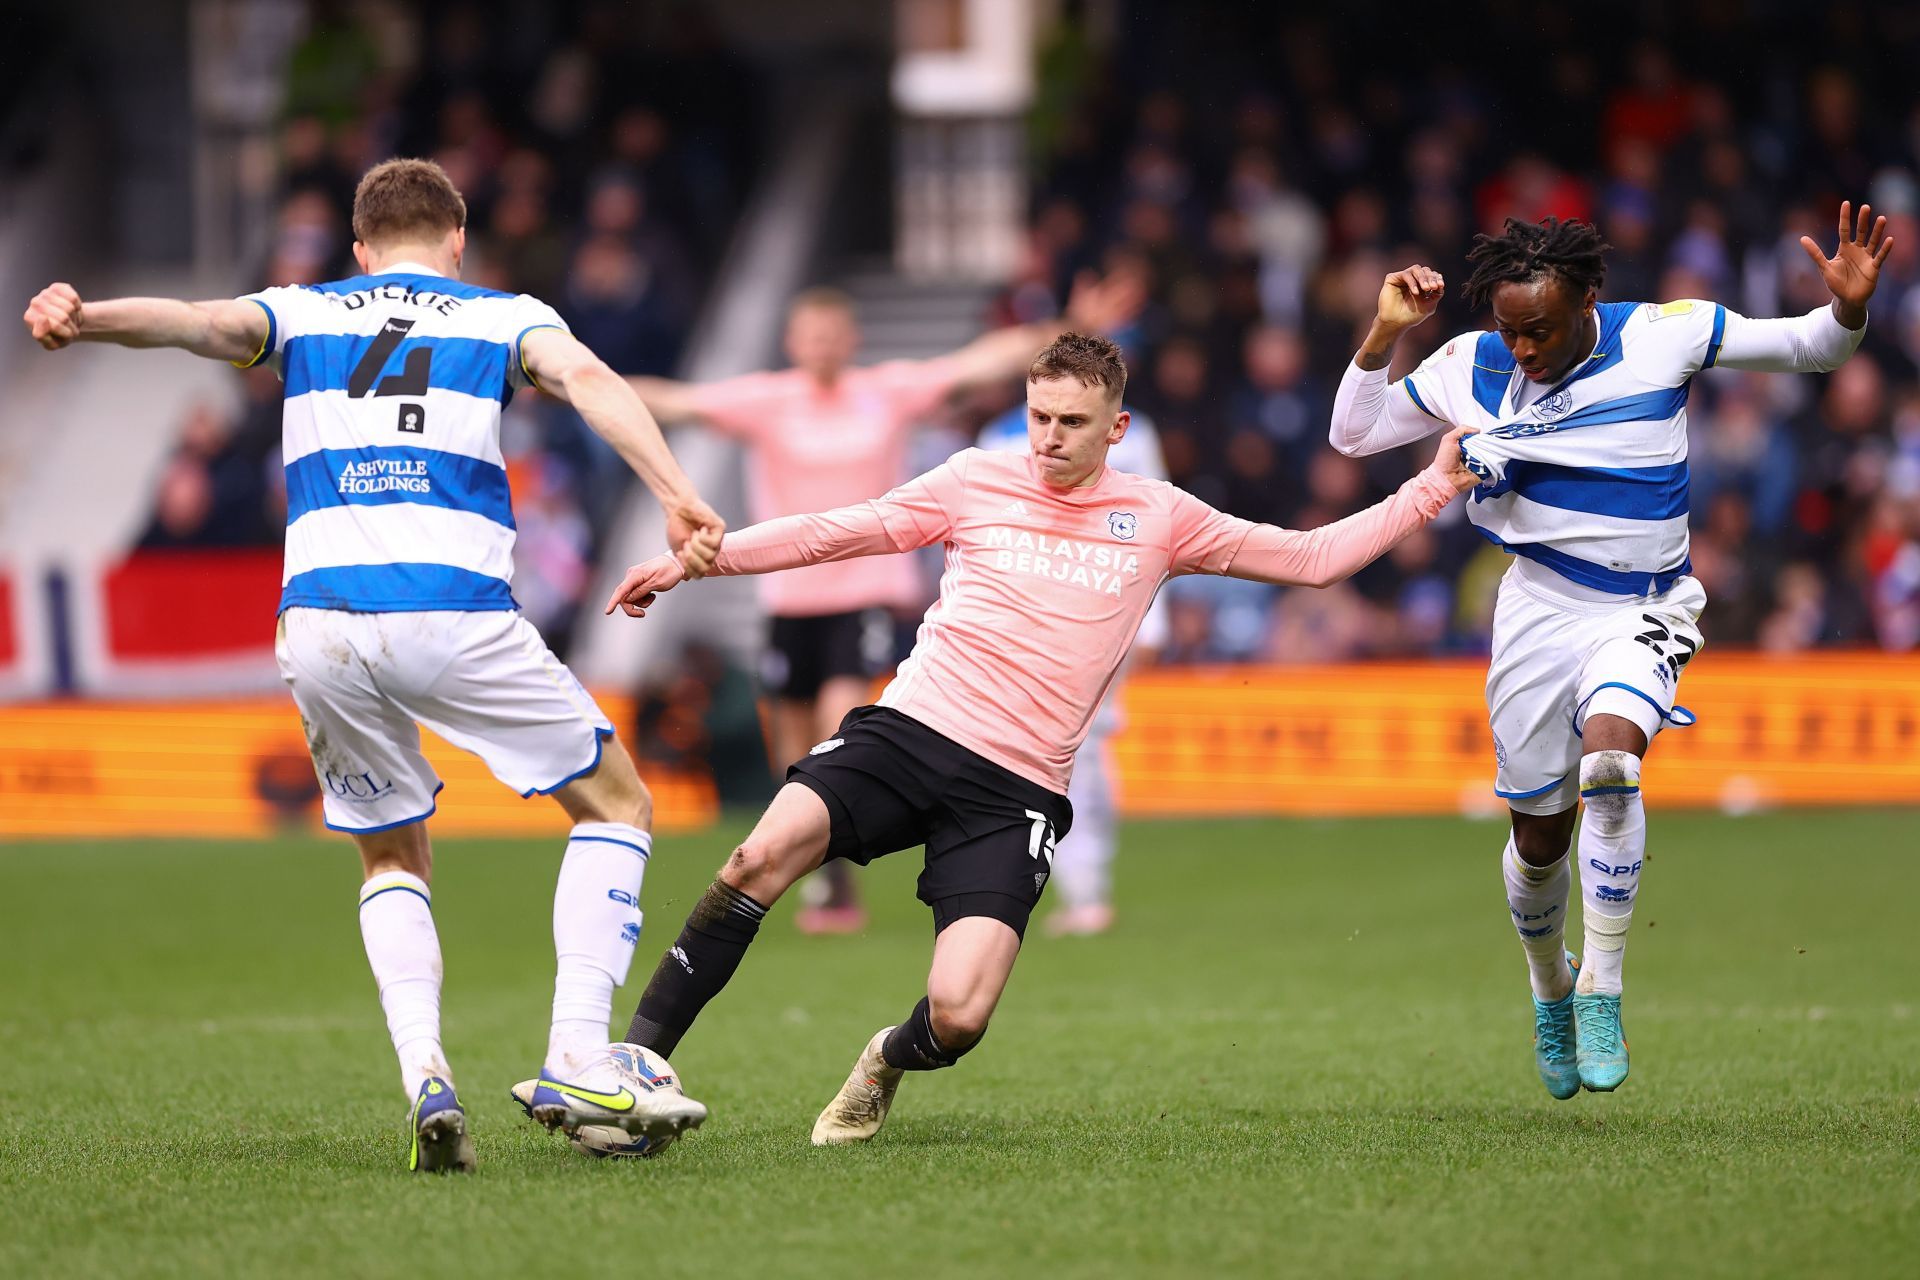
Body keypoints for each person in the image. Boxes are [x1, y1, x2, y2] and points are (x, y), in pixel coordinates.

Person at [580, 332, 1473, 1146]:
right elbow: (834, 532)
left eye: (1071, 423)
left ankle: (883, 1060)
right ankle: (630, 1069)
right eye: (1039, 416)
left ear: (1117, 428)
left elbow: (1311, 560)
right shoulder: (975, 478)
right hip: (912, 728)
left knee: (958, 1017)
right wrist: (696, 560)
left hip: (1015, 790)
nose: (1047, 438)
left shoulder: (1161, 516)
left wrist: (1432, 485)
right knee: (754, 858)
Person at [22, 158, 727, 1173]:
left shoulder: (303, 310)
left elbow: (192, 321)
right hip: (451, 608)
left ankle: (425, 1071)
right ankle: (578, 1046)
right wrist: (671, 487)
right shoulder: (499, 314)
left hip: (320, 623)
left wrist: (83, 317)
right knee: (617, 806)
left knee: (392, 855)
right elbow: (587, 379)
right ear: (457, 238)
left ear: (358, 248)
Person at [1327, 206, 1890, 1098]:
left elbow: (1813, 348)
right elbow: (1353, 435)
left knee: (1611, 767)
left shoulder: (1669, 333)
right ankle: (1549, 985)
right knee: (1539, 839)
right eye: (1510, 330)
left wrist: (1849, 309)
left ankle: (1601, 988)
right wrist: (1384, 335)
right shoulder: (1465, 362)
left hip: (1647, 606)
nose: (1521, 349)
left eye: (1539, 330)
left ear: (1590, 298)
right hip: (1536, 616)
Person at [623, 277, 1141, 933]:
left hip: (865, 590)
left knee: (841, 713)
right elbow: (674, 401)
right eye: (813, 336)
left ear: (852, 340)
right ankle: (830, 880)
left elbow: (979, 360)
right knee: (792, 734)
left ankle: (838, 855)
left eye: (834, 335)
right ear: (793, 343)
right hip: (789, 595)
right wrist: (571, 374)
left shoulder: (885, 392)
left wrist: (1066, 330)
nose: (824, 346)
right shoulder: (766, 401)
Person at [975, 403, 1170, 935]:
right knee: (1064, 751)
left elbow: (1159, 528)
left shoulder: (1131, 431)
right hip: (1032, 618)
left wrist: (1151, 624)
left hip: (1102, 610)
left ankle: (1082, 890)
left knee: (1072, 752)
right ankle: (1073, 886)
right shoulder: (998, 436)